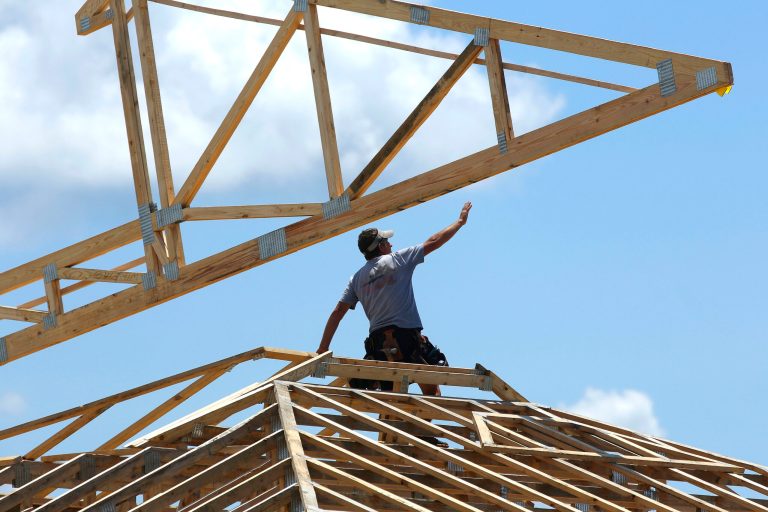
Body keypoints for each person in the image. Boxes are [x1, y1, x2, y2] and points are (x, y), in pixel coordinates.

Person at [317, 202, 472, 396]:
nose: (391, 244)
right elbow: (433, 241)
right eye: (387, 242)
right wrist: (459, 222)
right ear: (381, 246)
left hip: (379, 345)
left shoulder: (356, 279)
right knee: (433, 394)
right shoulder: (398, 259)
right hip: (407, 339)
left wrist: (323, 348)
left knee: (391, 400)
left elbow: (338, 312)